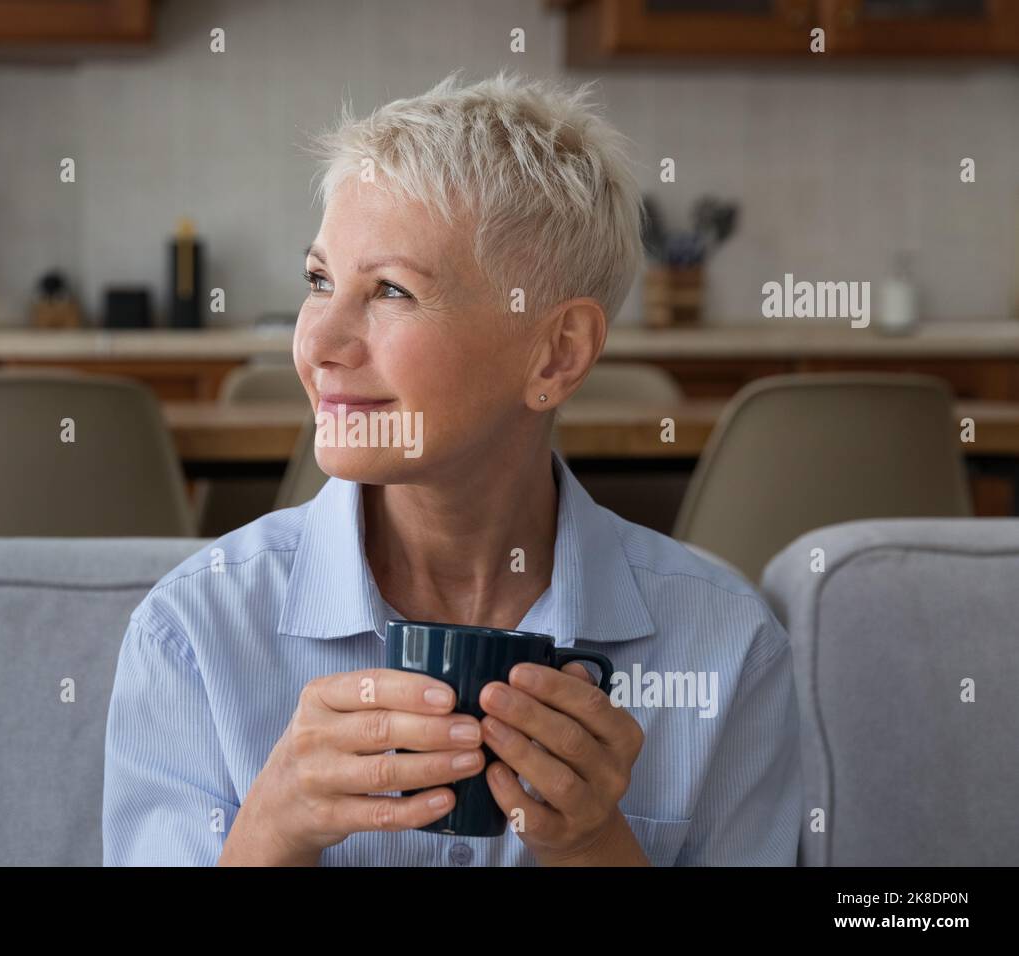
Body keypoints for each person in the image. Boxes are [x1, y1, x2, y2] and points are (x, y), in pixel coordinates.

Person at [103, 70, 802, 866]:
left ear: (557, 351)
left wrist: (595, 847)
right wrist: (271, 831)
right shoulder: (193, 635)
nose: (319, 343)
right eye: (320, 281)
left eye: (392, 290)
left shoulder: (726, 648)